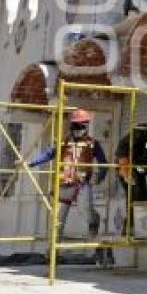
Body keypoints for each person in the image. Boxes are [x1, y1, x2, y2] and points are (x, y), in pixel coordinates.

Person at [24, 108, 110, 262]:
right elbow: (48, 154)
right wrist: (31, 162)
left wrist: (100, 176)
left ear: (86, 126)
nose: (78, 129)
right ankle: (53, 254)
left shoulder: (93, 144)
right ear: (71, 126)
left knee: (86, 211)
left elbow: (103, 162)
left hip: (82, 184)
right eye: (76, 126)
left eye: (81, 126)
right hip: (64, 184)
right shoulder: (64, 142)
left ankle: (94, 221)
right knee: (57, 221)